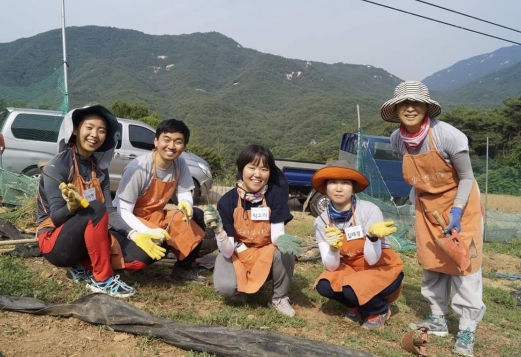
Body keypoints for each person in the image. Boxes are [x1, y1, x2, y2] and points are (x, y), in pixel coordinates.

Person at [381, 81, 485, 356]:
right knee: (433, 263)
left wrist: (457, 210)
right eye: (404, 103)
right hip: (428, 207)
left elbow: (466, 177)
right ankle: (437, 318)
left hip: (462, 206)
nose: (410, 108)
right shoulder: (397, 139)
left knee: (465, 264)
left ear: (426, 107)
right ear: (396, 109)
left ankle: (466, 328)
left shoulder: (447, 136)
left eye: (416, 103)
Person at [36, 105, 162, 298]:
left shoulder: (100, 171)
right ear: (75, 129)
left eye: (101, 130)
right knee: (95, 207)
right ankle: (101, 280)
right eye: (89, 127)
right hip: (54, 242)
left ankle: (82, 265)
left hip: (85, 236)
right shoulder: (58, 166)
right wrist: (71, 207)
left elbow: (110, 212)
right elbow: (55, 218)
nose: (94, 134)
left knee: (142, 256)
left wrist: (133, 234)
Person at [203, 144, 301, 317]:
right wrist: (219, 231)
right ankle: (241, 290)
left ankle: (279, 297)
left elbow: (276, 235)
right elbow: (227, 250)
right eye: (252, 167)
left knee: (285, 252)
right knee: (226, 288)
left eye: (264, 169)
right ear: (242, 169)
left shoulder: (275, 195)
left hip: (265, 251)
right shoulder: (227, 201)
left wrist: (281, 240)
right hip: (236, 252)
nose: (258, 174)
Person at [311, 161, 404, 330]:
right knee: (325, 285)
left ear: (353, 187)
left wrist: (372, 238)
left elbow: (373, 259)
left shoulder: (369, 210)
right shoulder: (321, 221)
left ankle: (380, 309)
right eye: (333, 182)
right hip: (352, 267)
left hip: (381, 267)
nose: (339, 188)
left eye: (345, 183)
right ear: (325, 188)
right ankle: (356, 305)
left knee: (350, 289)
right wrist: (333, 248)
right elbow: (331, 267)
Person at [113, 119, 207, 283]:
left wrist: (187, 203)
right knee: (141, 257)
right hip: (130, 220)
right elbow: (122, 211)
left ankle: (183, 268)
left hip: (155, 216)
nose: (171, 146)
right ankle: (130, 263)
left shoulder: (180, 163)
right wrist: (146, 231)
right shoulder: (139, 168)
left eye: (178, 142)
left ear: (184, 146)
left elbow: (184, 191)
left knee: (196, 216)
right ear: (156, 140)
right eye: (167, 139)